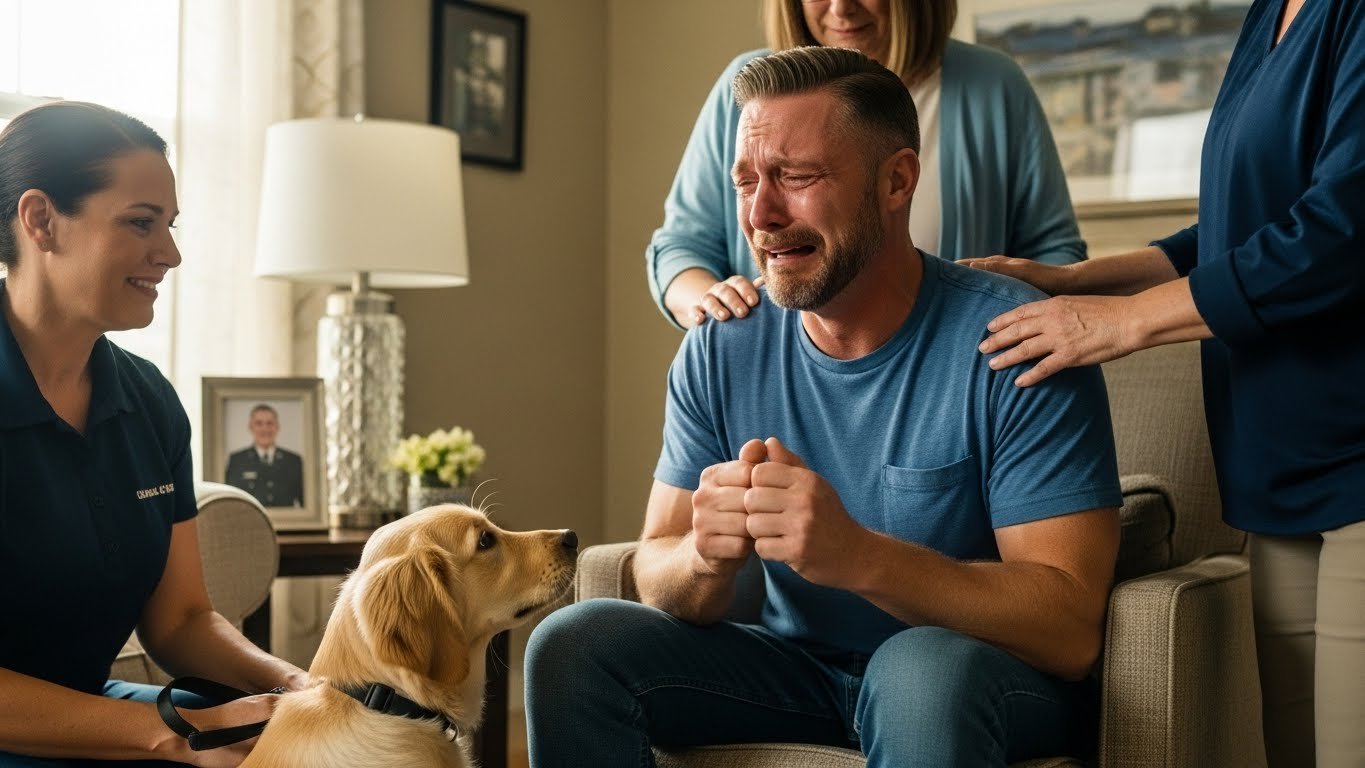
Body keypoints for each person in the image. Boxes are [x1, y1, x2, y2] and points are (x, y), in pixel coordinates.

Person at [526, 47, 1122, 767]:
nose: (760, 215)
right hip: (797, 672)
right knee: (575, 644)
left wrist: (859, 557)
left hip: (975, 676)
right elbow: (655, 569)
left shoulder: (1018, 340)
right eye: (746, 181)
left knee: (919, 671)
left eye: (797, 177)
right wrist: (702, 558)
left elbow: (1068, 629)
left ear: (896, 180)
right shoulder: (721, 345)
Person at [966, 1, 1364, 765]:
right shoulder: (1269, 13)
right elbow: (1238, 225)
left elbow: (1338, 233)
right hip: (1277, 471)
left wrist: (1127, 322)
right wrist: (1080, 281)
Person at [0, 101, 309, 767]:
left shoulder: (149, 401)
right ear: (41, 220)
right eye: (141, 223)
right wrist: (172, 734)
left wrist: (294, 687)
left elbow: (180, 621)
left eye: (169, 225)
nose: (170, 254)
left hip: (96, 710)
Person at [647, 0, 1086, 330]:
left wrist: (988, 343)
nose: (841, 8)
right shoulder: (748, 94)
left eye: (800, 175)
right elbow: (681, 247)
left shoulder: (992, 85)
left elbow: (1053, 253)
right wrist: (717, 315)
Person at [223, 404, 305, 508]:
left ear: (277, 427)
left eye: (269, 423)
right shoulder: (237, 461)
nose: (265, 429)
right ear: (251, 427)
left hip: (286, 518)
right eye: (259, 423)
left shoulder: (293, 461)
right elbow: (231, 500)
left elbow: (305, 503)